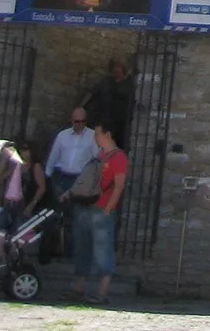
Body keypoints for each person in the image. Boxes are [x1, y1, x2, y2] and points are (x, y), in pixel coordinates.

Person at [71, 123, 126, 305]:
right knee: (82, 248)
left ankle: (101, 293)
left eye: (97, 134)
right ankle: (78, 289)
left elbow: (119, 185)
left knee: (103, 250)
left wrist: (109, 208)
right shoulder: (99, 156)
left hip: (102, 210)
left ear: (108, 134)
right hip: (87, 207)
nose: (95, 138)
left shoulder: (119, 158)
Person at [0, 139, 45, 238]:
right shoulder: (15, 165)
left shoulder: (35, 166)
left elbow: (42, 188)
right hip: (9, 204)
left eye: (27, 150)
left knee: (19, 234)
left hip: (23, 204)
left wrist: (31, 205)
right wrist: (4, 161)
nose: (24, 153)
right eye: (22, 150)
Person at [45, 108, 97, 205]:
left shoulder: (93, 136)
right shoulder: (62, 135)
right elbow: (54, 156)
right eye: (77, 121)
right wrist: (47, 176)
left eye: (83, 121)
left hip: (79, 179)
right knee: (59, 206)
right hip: (61, 177)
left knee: (75, 208)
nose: (80, 124)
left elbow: (96, 158)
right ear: (72, 121)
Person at [82, 58, 132, 150]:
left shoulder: (128, 84)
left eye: (118, 67)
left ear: (123, 69)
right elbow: (92, 93)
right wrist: (81, 107)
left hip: (120, 126)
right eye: (113, 67)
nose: (115, 69)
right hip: (104, 121)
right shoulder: (105, 82)